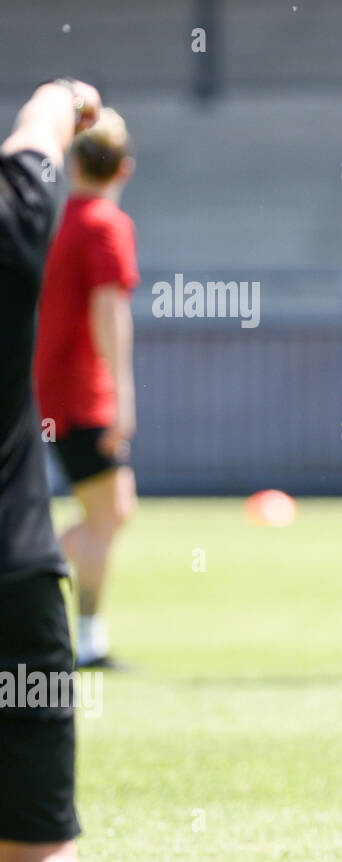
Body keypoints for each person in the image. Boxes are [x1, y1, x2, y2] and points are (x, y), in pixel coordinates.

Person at [0, 78, 101, 862]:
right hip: (13, 575)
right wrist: (62, 94)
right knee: (38, 851)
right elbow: (36, 142)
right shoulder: (15, 222)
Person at [33, 108, 137, 670]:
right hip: (81, 395)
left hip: (56, 390)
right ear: (125, 168)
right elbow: (108, 311)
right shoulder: (105, 224)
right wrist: (122, 397)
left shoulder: (62, 220)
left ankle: (87, 634)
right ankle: (85, 636)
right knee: (105, 515)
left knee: (115, 510)